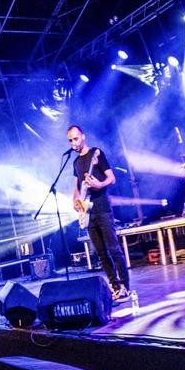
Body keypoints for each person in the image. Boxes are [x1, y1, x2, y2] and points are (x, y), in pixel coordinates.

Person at [69, 125, 131, 300]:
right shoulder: (75, 162)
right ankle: (115, 286)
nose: (74, 143)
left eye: (76, 138)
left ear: (83, 137)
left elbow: (112, 178)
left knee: (114, 249)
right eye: (71, 140)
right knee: (101, 253)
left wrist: (99, 184)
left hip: (102, 208)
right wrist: (75, 200)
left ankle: (126, 286)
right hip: (88, 213)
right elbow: (77, 186)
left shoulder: (96, 153)